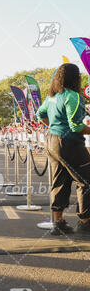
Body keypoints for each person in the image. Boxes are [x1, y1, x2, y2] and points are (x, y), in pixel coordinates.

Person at [36, 63, 90, 236]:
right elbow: (75, 126)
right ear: (75, 78)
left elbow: (40, 115)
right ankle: (85, 222)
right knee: (86, 181)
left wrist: (53, 128)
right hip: (69, 143)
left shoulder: (52, 96)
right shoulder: (72, 96)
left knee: (60, 181)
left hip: (51, 141)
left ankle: (58, 222)